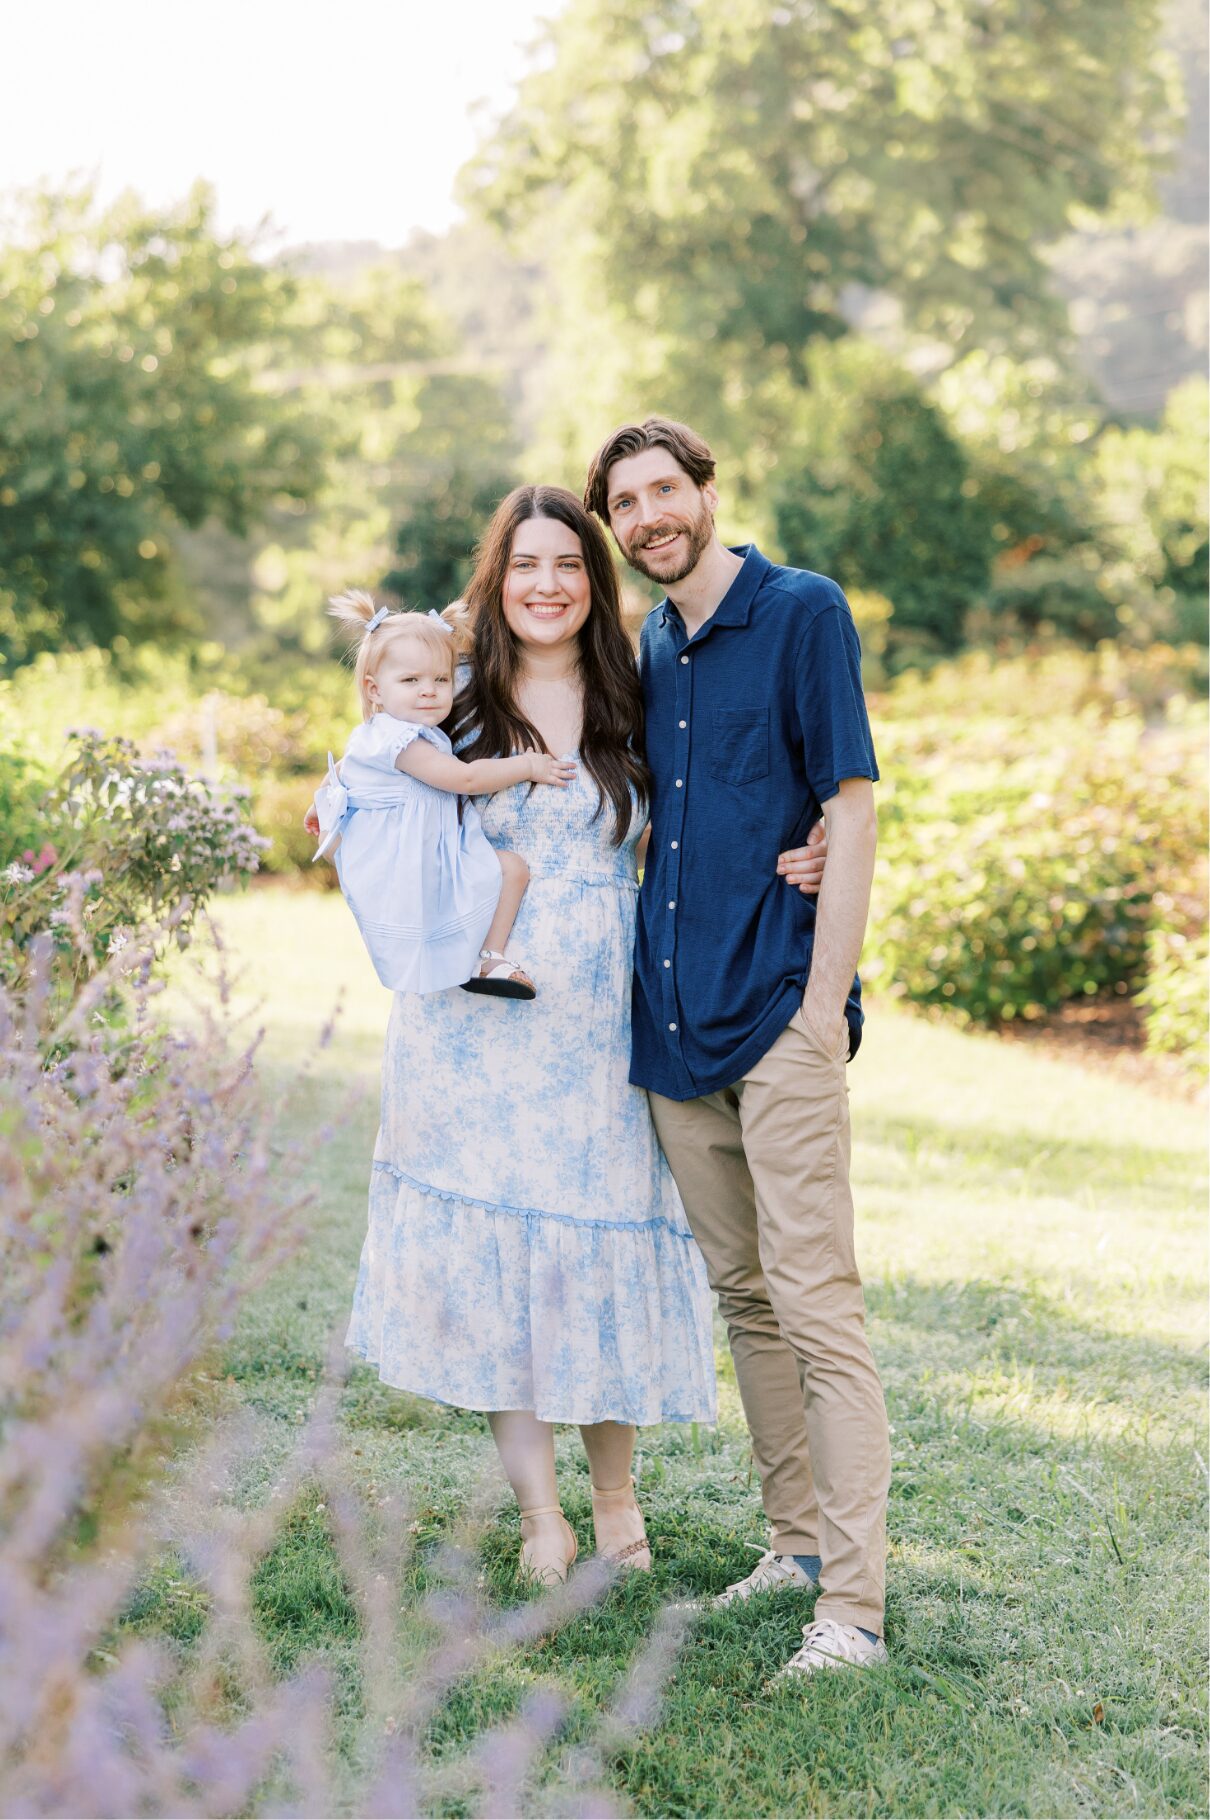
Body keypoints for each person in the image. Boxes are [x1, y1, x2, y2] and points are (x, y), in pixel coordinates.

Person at [332, 488, 723, 1585]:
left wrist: (812, 848)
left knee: (599, 1226)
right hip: (476, 1008)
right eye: (524, 565)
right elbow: (366, 796)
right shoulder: (446, 696)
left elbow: (717, 808)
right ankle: (539, 1508)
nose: (545, 583)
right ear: (495, 580)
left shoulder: (639, 689)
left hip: (601, 1006)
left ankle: (615, 1502)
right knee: (502, 1253)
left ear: (594, 582)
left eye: (568, 564)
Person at [584, 415, 892, 1676]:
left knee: (817, 1303)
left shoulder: (802, 610)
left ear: (706, 490)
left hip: (778, 1014)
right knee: (748, 1299)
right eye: (626, 505)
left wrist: (823, 1005)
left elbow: (852, 805)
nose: (650, 515)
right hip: (673, 1030)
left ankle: (855, 1611)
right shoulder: (649, 644)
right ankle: (796, 1541)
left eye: (665, 490)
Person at [316, 590, 574, 999]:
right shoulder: (404, 741)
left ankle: (480, 957)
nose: (429, 691)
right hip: (413, 864)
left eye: (441, 679)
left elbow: (344, 771)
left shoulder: (382, 736)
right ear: (374, 690)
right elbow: (466, 779)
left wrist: (326, 803)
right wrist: (529, 766)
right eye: (411, 680)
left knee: (508, 869)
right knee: (511, 869)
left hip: (418, 854)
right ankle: (489, 955)